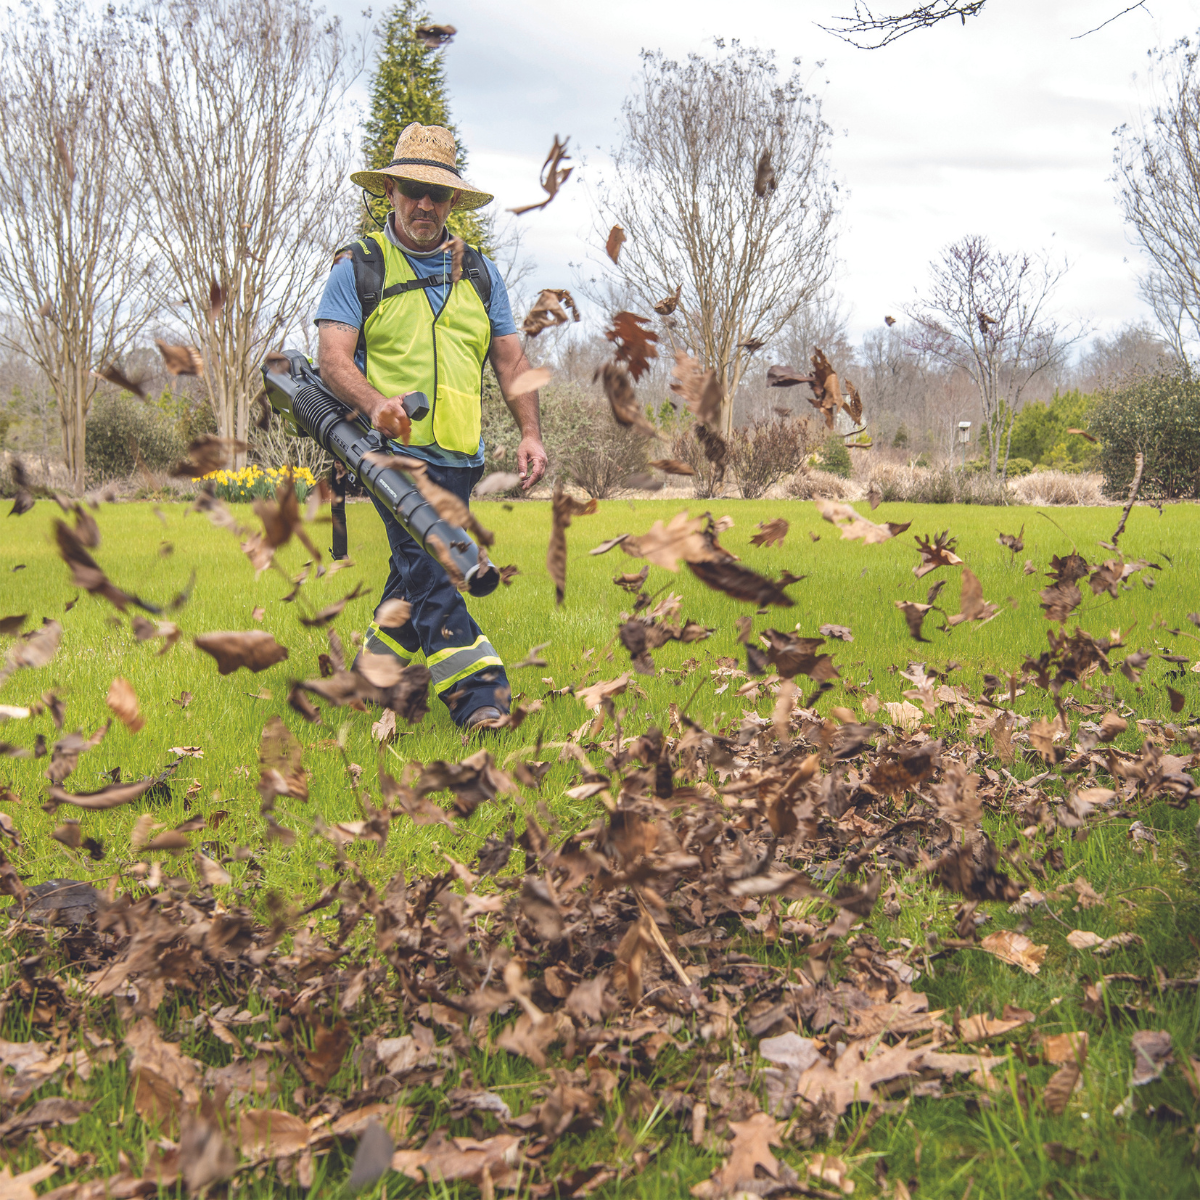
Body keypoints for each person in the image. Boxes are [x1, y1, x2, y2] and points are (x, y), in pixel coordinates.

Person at [315, 122, 547, 729]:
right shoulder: (359, 268)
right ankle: (481, 699)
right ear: (390, 191)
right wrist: (373, 404)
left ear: (451, 202)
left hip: (462, 457)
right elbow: (333, 358)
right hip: (394, 456)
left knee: (411, 575)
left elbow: (510, 360)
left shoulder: (482, 273)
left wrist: (530, 432)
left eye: (436, 194)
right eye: (412, 190)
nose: (424, 204)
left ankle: (370, 674)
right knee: (441, 571)